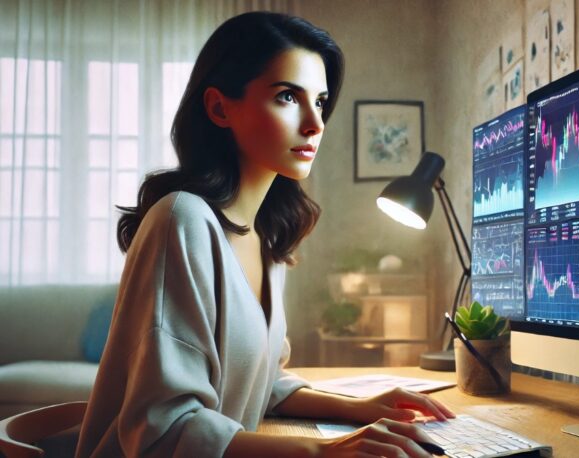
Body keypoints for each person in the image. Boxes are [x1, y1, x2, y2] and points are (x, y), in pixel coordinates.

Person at [74, 11, 454, 458]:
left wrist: (360, 408)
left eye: (321, 100)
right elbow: (162, 431)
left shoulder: (268, 237)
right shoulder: (182, 221)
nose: (315, 123)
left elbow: (264, 382)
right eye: (288, 97)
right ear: (219, 107)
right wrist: (322, 453)